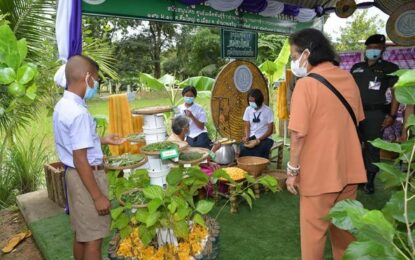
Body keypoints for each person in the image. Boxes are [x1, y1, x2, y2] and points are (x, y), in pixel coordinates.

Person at [286, 28, 367, 260]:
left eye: (294, 57)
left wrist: (292, 171)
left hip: (319, 176)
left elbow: (298, 134)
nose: (294, 62)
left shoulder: (306, 84)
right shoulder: (348, 77)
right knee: (344, 233)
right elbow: (358, 120)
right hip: (350, 170)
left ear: (307, 53)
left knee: (313, 237)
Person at [53, 55, 125, 260]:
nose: (97, 84)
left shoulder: (63, 106)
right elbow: (81, 158)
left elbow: (75, 143)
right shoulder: (78, 113)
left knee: (82, 235)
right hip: (86, 177)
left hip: (74, 177)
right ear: (87, 77)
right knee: (94, 239)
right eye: (96, 79)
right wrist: (98, 197)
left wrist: (102, 140)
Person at [350, 34, 399, 194]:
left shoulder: (390, 68)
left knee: (372, 146)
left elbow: (396, 93)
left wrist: (392, 116)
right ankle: (357, 177)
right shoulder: (356, 67)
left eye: (376, 48)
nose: (372, 50)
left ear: (383, 49)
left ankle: (370, 181)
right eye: (370, 47)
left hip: (375, 114)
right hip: (355, 113)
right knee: (354, 146)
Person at [239, 89, 274, 159]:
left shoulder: (268, 110)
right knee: (243, 148)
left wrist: (258, 140)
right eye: (249, 101)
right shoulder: (248, 109)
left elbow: (270, 131)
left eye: (253, 101)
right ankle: (247, 167)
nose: (250, 103)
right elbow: (247, 126)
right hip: (252, 137)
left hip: (265, 138)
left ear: (259, 101)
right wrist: (247, 137)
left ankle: (259, 167)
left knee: (259, 150)